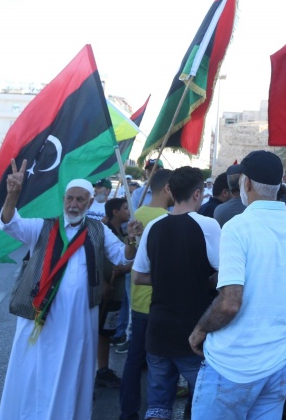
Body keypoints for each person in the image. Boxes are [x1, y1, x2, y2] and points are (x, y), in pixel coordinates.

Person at [0, 162, 138, 420]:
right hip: (39, 317)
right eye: (70, 198)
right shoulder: (43, 227)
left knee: (69, 372)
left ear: (90, 201)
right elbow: (10, 225)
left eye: (80, 199)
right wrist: (12, 195)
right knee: (32, 371)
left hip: (77, 321)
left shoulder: (99, 230)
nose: (74, 204)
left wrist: (131, 239)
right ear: (64, 200)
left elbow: (123, 258)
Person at [189, 151, 286, 418]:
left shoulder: (239, 227)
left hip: (232, 365)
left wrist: (200, 330)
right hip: (278, 362)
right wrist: (277, 340)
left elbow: (230, 303)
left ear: (246, 184)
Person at [133, 167, 221, 420]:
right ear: (198, 193)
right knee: (203, 403)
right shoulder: (208, 225)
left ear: (170, 191)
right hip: (193, 331)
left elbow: (138, 276)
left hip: (158, 329)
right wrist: (196, 278)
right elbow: (226, 275)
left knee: (159, 406)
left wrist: (167, 277)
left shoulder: (154, 227)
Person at [120, 168, 174, 420]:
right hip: (161, 302)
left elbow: (128, 257)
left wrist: (130, 238)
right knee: (162, 364)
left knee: (134, 360)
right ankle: (159, 412)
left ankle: (127, 413)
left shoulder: (138, 214)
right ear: (167, 189)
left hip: (139, 301)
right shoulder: (168, 219)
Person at [97, 197, 133, 389]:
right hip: (106, 291)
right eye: (126, 208)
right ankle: (97, 370)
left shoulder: (123, 231)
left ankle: (103, 369)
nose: (129, 211)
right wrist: (103, 283)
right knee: (98, 331)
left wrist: (126, 268)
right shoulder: (104, 232)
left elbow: (126, 258)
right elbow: (94, 259)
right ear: (115, 212)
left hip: (117, 291)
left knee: (107, 331)